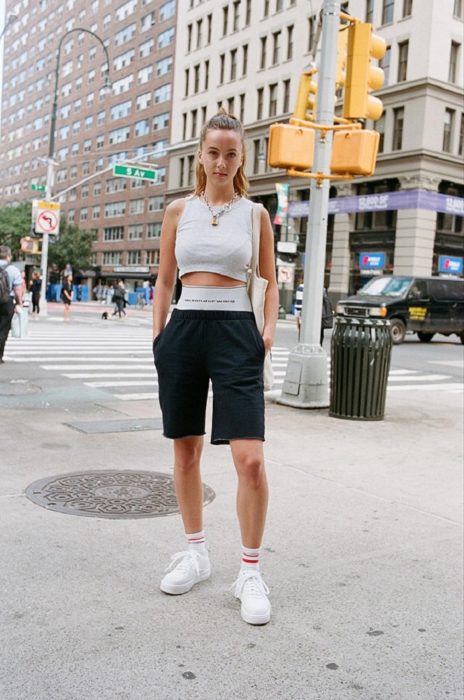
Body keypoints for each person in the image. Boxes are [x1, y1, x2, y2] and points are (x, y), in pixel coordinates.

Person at [153, 110, 278, 625]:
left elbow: (270, 282)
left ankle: (249, 570)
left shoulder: (256, 215)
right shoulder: (178, 211)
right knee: (186, 452)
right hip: (184, 332)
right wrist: (159, 336)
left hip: (235, 334)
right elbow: (164, 280)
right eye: (213, 152)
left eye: (231, 153)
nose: (221, 161)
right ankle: (197, 552)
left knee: (249, 459)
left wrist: (265, 335)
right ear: (200, 157)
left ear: (242, 158)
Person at [0, 245, 23, 363]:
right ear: (8, 256)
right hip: (6, 301)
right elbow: (18, 289)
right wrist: (20, 303)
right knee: (3, 329)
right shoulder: (13, 270)